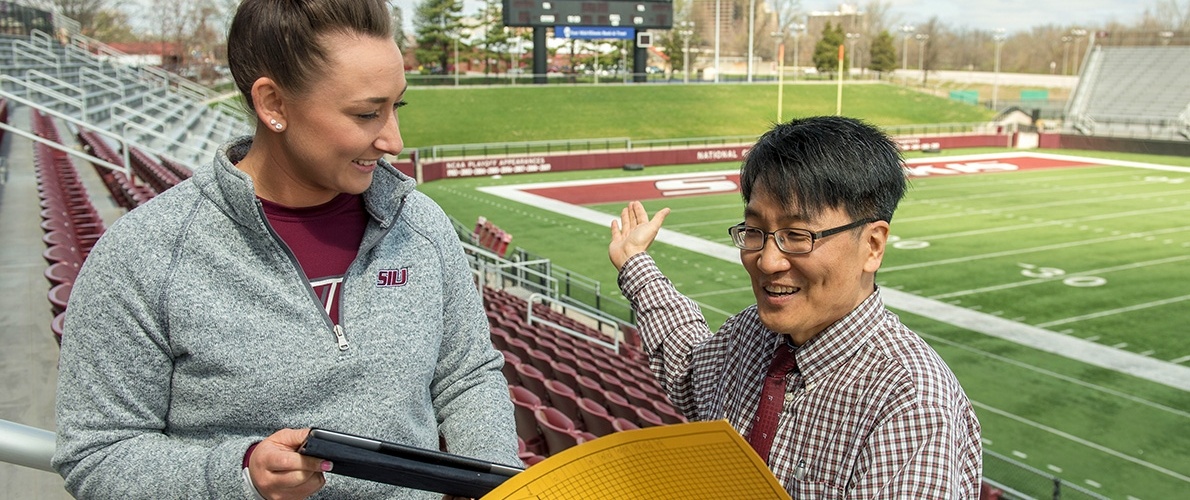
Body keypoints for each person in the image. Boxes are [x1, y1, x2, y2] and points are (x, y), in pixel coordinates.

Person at [52, 0, 518, 498]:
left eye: (396, 106)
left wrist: (498, 487)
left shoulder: (421, 225)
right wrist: (240, 474)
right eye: (366, 113)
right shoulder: (143, 254)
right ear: (273, 104)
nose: (393, 140)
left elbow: (468, 377)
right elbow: (96, 456)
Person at [608, 116, 982, 497]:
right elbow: (688, 370)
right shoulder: (750, 334)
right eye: (755, 232)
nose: (768, 261)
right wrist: (634, 262)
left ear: (872, 245)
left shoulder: (909, 401)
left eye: (797, 235)